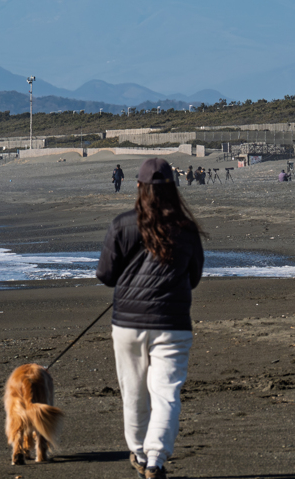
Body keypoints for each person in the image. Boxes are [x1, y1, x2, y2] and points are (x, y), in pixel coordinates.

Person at [96, 158, 205, 479]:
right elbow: (194, 277)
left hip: (128, 324)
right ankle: (155, 459)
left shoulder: (122, 224)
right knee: (166, 394)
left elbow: (105, 275)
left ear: (139, 187)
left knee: (133, 393)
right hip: (172, 324)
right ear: (172, 188)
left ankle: (141, 454)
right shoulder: (186, 229)